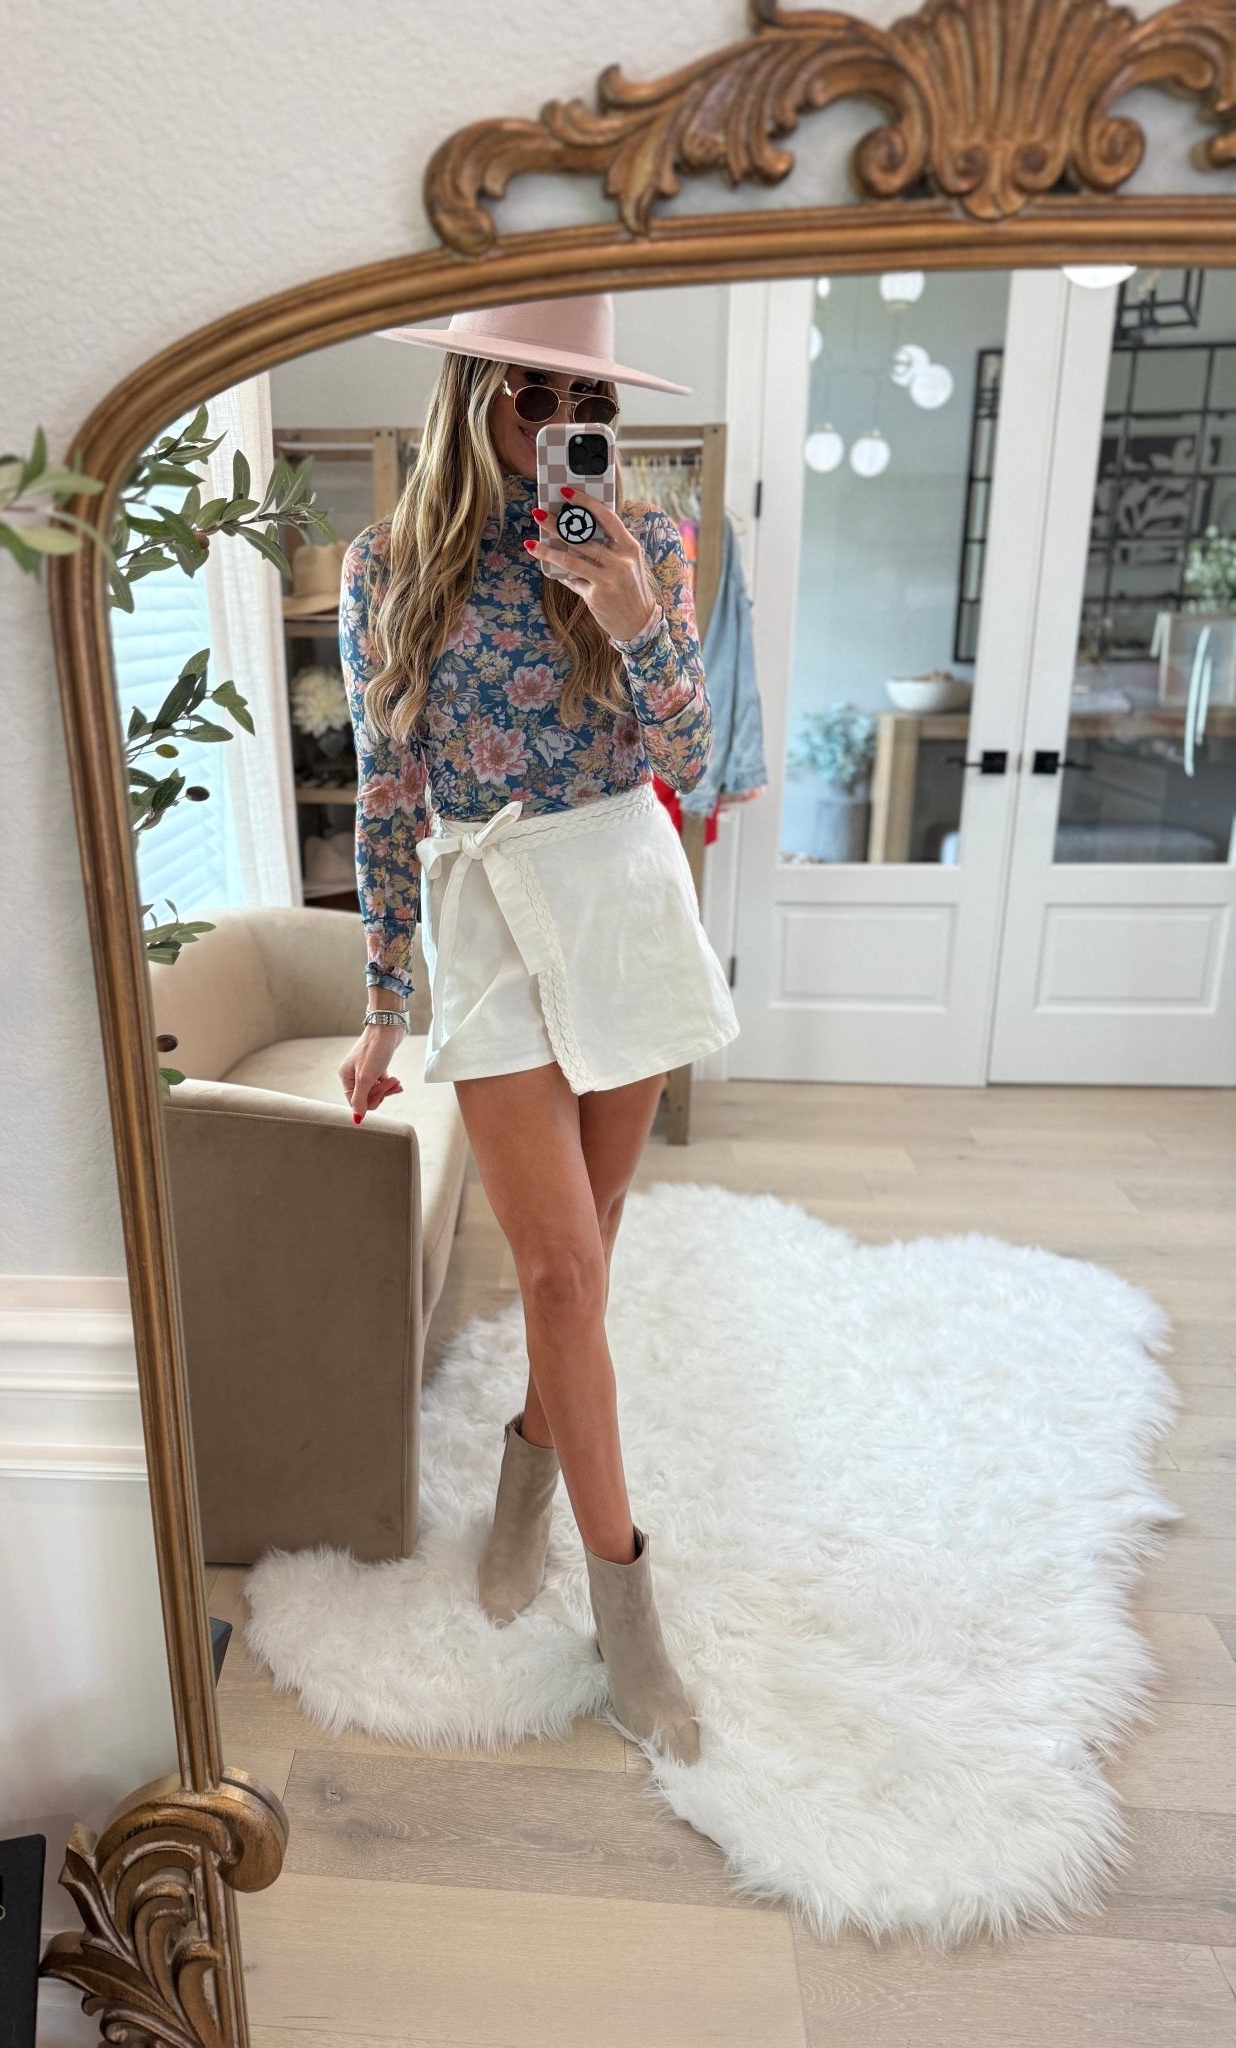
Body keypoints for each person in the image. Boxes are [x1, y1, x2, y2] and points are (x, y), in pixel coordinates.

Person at [335, 293, 750, 1767]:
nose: (561, 431)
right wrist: (388, 999)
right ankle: (629, 1613)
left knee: (604, 1227)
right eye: (533, 395)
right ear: (472, 393)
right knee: (565, 1275)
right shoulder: (390, 563)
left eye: (591, 406)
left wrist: (632, 612)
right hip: (489, 907)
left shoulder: (655, 546)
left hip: (625, 890)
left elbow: (699, 763)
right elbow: (387, 796)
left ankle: (527, 1463)